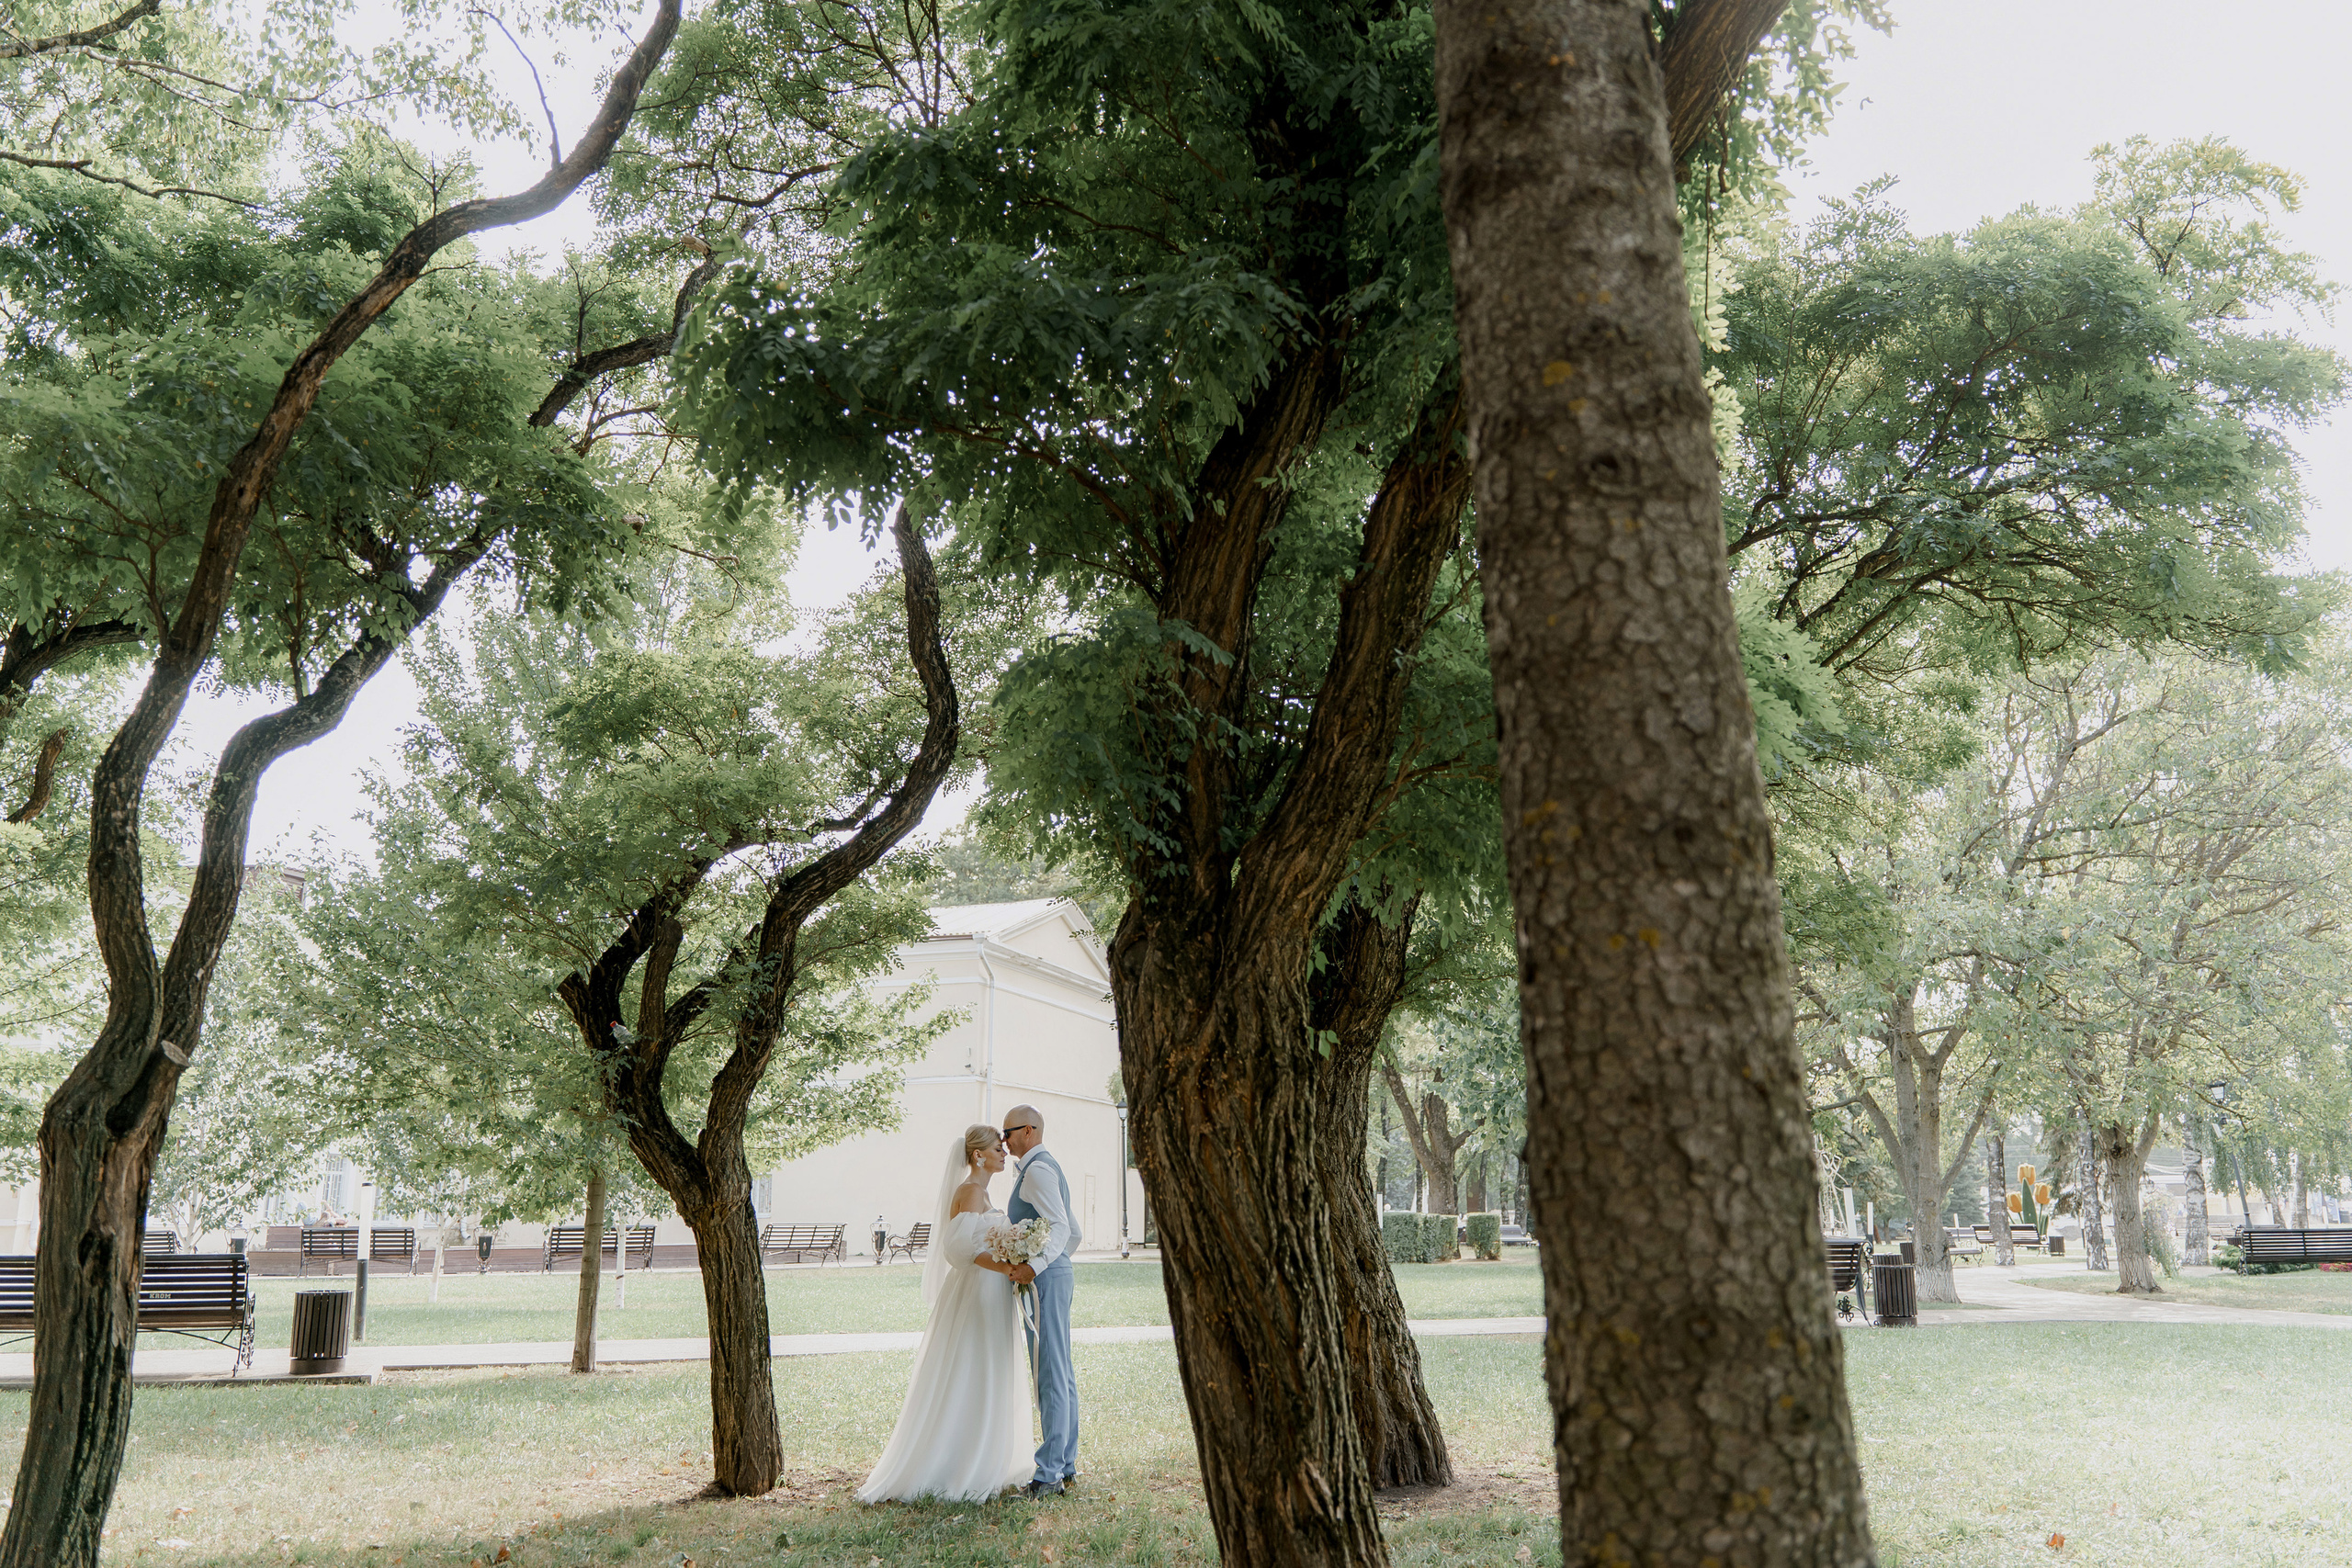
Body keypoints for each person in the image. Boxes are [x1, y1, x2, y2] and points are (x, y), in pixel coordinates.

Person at [856, 1124, 1033, 1503]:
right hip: (976, 1291)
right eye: (997, 1149)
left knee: (987, 1367)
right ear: (977, 1156)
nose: (1004, 1153)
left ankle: (987, 1455)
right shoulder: (970, 1191)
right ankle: (956, 1464)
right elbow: (957, 1250)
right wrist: (1006, 1267)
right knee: (971, 1368)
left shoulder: (982, 1192)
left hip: (992, 1292)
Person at [1002, 1103, 1080, 1496]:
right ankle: (1065, 1463)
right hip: (1055, 1273)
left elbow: (1064, 1227)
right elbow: (1075, 1232)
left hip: (1046, 1278)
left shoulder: (1037, 1171)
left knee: (1050, 1371)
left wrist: (1035, 1265)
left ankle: (1049, 1474)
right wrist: (1058, 1262)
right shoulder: (1047, 1168)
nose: (1004, 1141)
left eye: (1008, 1133)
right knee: (1059, 1369)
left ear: (1029, 1130)